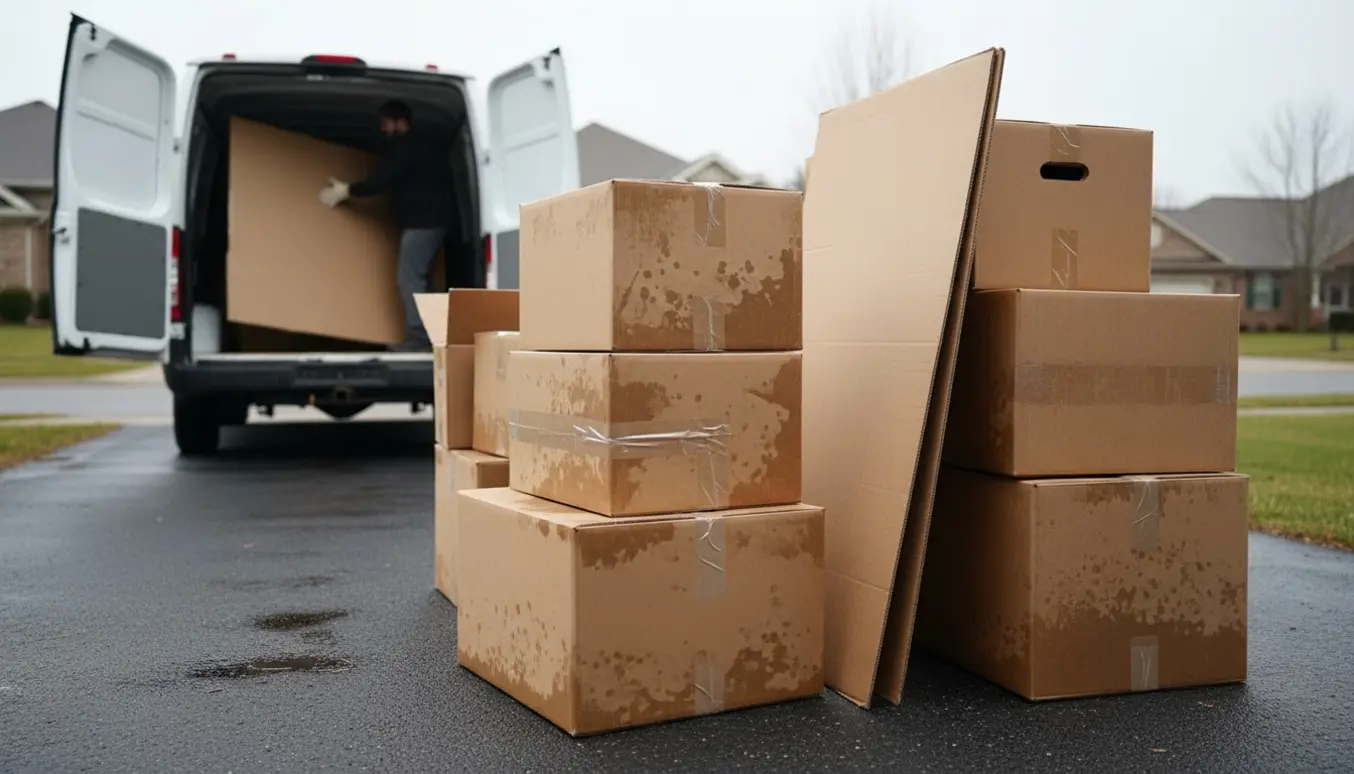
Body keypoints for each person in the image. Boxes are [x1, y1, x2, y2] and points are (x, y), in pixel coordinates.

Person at [318, 99, 457, 352]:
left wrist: (349, 189)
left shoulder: (408, 146)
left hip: (424, 223)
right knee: (422, 279)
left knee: (409, 279)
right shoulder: (423, 144)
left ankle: (418, 340)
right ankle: (434, 336)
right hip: (433, 220)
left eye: (386, 123)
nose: (382, 129)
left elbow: (384, 179)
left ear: (400, 122)